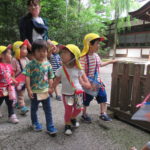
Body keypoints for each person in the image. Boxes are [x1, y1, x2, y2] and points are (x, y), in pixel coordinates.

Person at [52, 44, 91, 135]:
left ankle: (72, 118)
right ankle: (67, 124)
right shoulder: (61, 69)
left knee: (78, 109)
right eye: (62, 52)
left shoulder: (78, 69)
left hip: (78, 93)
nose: (62, 54)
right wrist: (51, 88)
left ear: (74, 56)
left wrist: (86, 84)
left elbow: (83, 81)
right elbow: (56, 80)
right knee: (68, 110)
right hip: (67, 94)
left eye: (65, 53)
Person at [80, 33, 117, 122]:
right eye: (97, 43)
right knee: (86, 99)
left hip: (98, 82)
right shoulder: (83, 58)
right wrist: (85, 83)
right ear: (89, 44)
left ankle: (103, 113)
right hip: (88, 83)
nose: (99, 45)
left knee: (103, 96)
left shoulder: (96, 56)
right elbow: (80, 72)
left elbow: (100, 64)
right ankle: (84, 114)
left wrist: (111, 61)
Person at [23, 39, 57, 135]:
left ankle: (50, 126)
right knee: (34, 109)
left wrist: (51, 87)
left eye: (44, 51)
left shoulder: (48, 64)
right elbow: (27, 77)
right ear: (33, 52)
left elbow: (51, 77)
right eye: (39, 51)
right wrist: (29, 89)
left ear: (47, 51)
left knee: (48, 110)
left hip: (45, 91)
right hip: (35, 92)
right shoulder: (30, 64)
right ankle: (35, 123)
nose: (42, 53)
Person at [0, 45, 19, 124]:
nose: (11, 56)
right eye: (9, 54)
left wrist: (14, 80)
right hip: (1, 89)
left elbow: (10, 76)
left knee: (10, 102)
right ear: (2, 56)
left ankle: (11, 115)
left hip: (9, 88)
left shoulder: (9, 66)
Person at [12, 40, 30, 115]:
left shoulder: (26, 59)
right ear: (18, 50)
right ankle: (23, 107)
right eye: (24, 49)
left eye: (26, 49)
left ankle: (17, 103)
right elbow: (12, 71)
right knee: (21, 95)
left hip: (26, 79)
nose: (26, 51)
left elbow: (30, 67)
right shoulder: (14, 60)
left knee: (27, 91)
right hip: (19, 80)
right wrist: (13, 80)